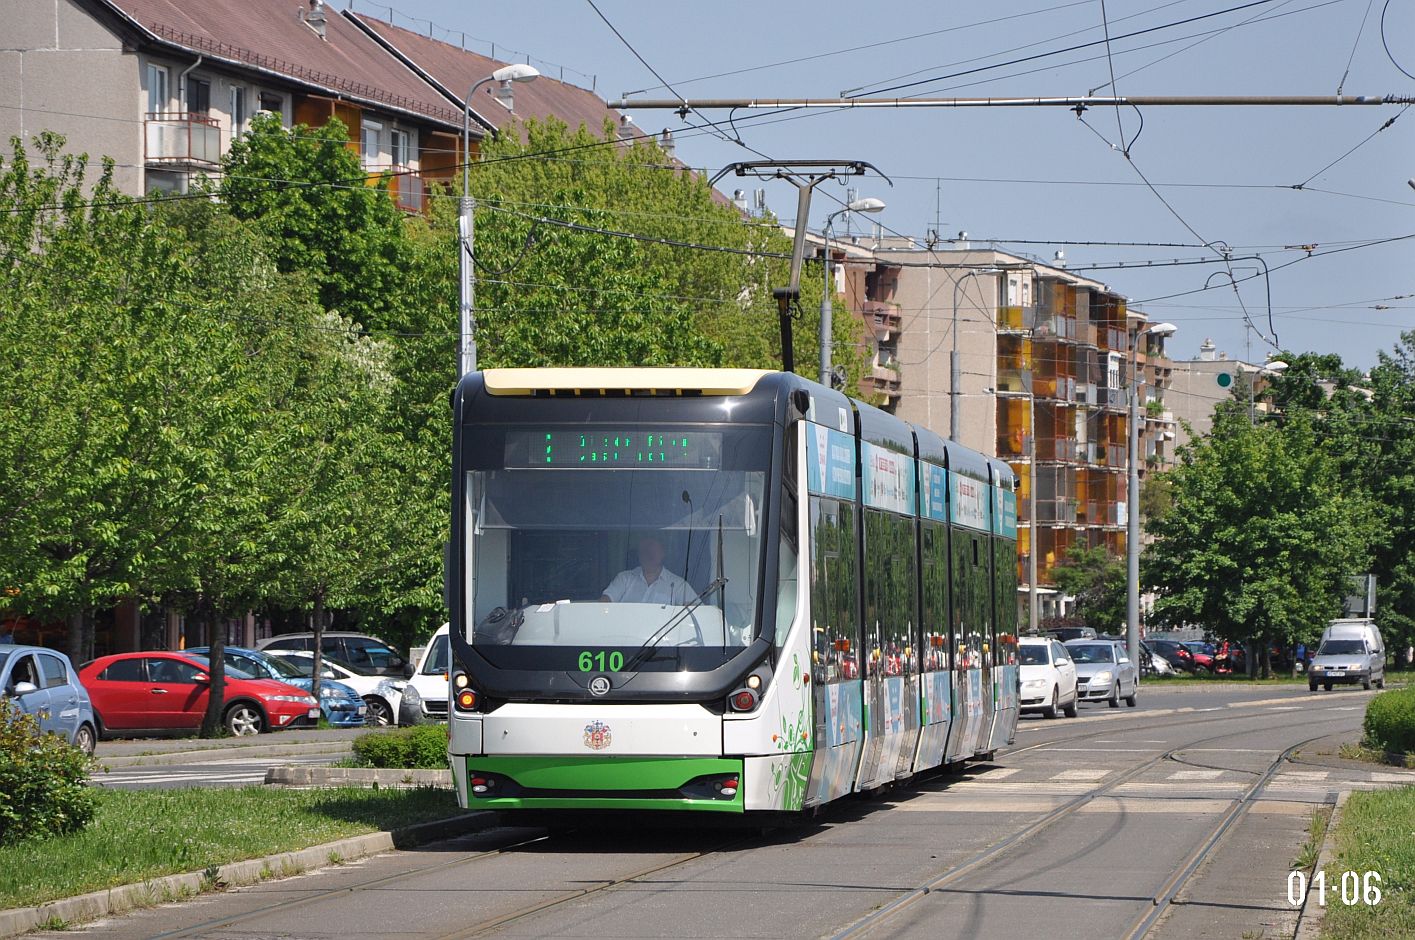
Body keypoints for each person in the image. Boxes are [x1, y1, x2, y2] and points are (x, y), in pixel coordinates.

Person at [600, 534, 692, 605]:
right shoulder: (624, 578)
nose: (648, 556)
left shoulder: (678, 585)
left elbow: (696, 611)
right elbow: (604, 603)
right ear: (639, 555)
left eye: (652, 553)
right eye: (644, 551)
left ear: (663, 553)